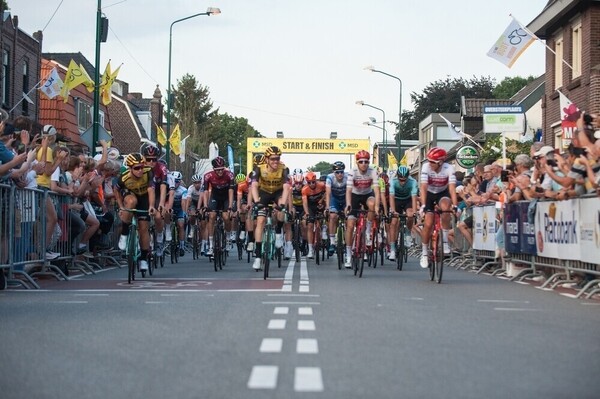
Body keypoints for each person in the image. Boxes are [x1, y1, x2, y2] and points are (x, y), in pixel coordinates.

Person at [114, 153, 156, 272]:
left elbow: (151, 190)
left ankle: (143, 258)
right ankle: (125, 232)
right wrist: (121, 206)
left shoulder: (148, 172)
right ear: (130, 168)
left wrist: (152, 206)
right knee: (131, 201)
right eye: (136, 168)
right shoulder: (124, 177)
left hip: (144, 197)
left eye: (142, 167)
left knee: (143, 228)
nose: (140, 170)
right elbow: (116, 191)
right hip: (130, 194)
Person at [250, 146, 291, 270]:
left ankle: (278, 233)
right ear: (267, 159)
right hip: (264, 193)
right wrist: (257, 202)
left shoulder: (284, 169)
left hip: (277, 193)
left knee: (280, 214)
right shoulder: (259, 169)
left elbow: (286, 188)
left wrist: (282, 204)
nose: (275, 161)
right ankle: (257, 257)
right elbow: (254, 185)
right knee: (261, 221)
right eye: (273, 159)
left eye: (277, 158)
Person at [419, 147, 458, 269]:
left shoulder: (449, 168)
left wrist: (455, 206)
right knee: (429, 223)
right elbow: (423, 187)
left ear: (440, 162)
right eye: (429, 161)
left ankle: (445, 241)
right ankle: (424, 253)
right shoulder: (425, 167)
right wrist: (424, 205)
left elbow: (452, 189)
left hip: (442, 193)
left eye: (432, 162)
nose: (429, 164)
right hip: (429, 194)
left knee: (446, 208)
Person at [344, 150, 380, 268]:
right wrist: (348, 204)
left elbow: (376, 191)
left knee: (372, 204)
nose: (364, 164)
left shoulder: (372, 171)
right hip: (354, 195)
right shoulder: (352, 172)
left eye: (366, 161)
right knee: (350, 225)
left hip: (367, 195)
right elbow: (348, 190)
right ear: (357, 163)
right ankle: (348, 255)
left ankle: (368, 230)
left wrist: (377, 207)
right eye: (361, 162)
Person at [203, 156, 235, 256]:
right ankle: (211, 246)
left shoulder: (230, 175)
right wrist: (205, 205)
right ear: (214, 169)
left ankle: (228, 237)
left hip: (226, 197)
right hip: (215, 197)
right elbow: (205, 192)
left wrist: (230, 206)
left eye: (222, 169)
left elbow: (231, 191)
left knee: (226, 217)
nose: (220, 172)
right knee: (211, 216)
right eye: (218, 170)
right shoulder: (208, 176)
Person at [142, 144, 169, 257]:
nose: (151, 162)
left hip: (158, 193)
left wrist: (162, 203)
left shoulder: (162, 168)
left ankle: (159, 237)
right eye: (148, 159)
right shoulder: (140, 167)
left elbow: (163, 187)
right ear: (144, 158)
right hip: (143, 193)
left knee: (158, 216)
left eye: (154, 160)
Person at [388, 165, 418, 261]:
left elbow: (414, 198)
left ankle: (408, 233)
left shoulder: (413, 182)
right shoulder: (393, 181)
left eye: (404, 180)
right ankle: (392, 249)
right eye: (401, 180)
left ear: (408, 177)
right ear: (397, 177)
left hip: (407, 200)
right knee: (393, 223)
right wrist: (393, 211)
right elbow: (391, 197)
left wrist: (414, 212)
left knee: (410, 215)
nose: (402, 182)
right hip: (396, 200)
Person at [325, 161, 347, 257]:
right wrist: (327, 207)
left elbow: (352, 192)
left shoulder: (348, 177)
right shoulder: (330, 178)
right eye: (337, 172)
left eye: (341, 172)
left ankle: (347, 242)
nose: (340, 174)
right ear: (334, 172)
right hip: (335, 200)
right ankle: (332, 243)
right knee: (333, 216)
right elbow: (328, 193)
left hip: (345, 198)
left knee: (348, 219)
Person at [302, 171, 326, 259]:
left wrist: (322, 200)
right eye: (309, 183)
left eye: (313, 182)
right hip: (311, 207)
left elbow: (327, 192)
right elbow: (304, 203)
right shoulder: (305, 189)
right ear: (307, 183)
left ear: (316, 181)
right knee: (310, 225)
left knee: (325, 215)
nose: (311, 184)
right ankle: (310, 249)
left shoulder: (321, 185)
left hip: (320, 204)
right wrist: (307, 213)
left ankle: (324, 228)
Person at [166, 171, 188, 256]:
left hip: (179, 209)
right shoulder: (168, 188)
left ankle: (182, 245)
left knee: (181, 225)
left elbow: (183, 202)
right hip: (170, 207)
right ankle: (168, 232)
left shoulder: (183, 190)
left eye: (178, 181)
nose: (176, 183)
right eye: (174, 181)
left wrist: (184, 213)